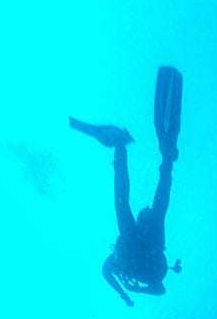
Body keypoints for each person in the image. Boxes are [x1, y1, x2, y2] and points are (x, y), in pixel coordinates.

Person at [70, 66, 183, 306]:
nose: (144, 216)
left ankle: (141, 154)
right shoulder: (125, 258)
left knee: (137, 205)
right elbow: (159, 289)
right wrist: (129, 293)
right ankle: (139, 153)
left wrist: (126, 294)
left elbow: (108, 274)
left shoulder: (116, 260)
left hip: (138, 250)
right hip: (145, 251)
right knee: (130, 205)